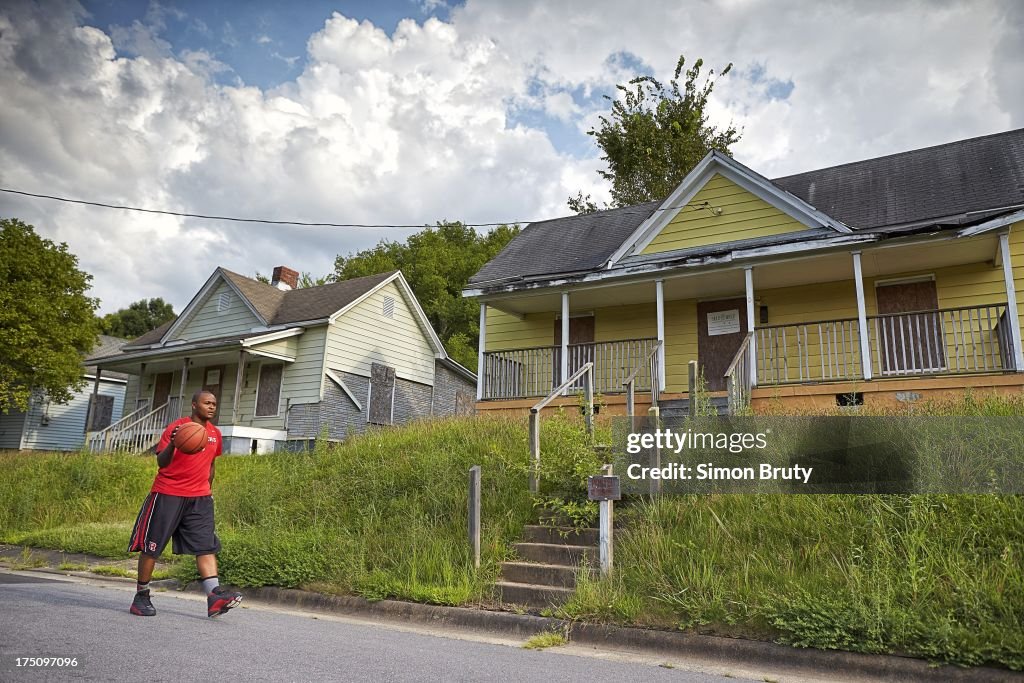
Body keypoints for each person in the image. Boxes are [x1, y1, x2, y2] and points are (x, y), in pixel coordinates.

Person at [127, 389, 242, 618]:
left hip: (200, 498)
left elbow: (210, 465)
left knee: (206, 545)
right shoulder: (177, 428)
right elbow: (161, 462)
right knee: (152, 547)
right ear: (194, 405)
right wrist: (173, 443)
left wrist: (208, 491)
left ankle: (214, 597)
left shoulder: (215, 434)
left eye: (214, 404)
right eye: (206, 403)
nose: (211, 407)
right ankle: (141, 596)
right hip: (168, 494)